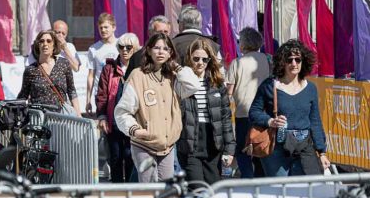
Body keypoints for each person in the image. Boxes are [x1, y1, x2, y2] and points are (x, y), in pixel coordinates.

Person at [114, 33, 200, 182]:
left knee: (166, 188)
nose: (161, 52)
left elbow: (193, 86)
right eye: (156, 48)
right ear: (148, 50)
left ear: (170, 53)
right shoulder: (138, 75)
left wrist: (178, 67)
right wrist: (134, 129)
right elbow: (122, 111)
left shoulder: (173, 77)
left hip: (167, 145)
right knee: (148, 186)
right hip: (144, 143)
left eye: (165, 49)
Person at [249, 39, 330, 176]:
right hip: (277, 148)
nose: (294, 63)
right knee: (281, 191)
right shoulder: (269, 85)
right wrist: (270, 121)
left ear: (303, 61)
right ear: (282, 62)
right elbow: (254, 112)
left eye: (297, 60)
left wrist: (322, 152)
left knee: (305, 191)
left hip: (304, 147)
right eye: (289, 59)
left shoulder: (310, 89)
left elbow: (315, 121)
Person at [177, 38, 235, 185]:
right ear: (189, 58)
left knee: (213, 187)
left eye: (205, 59)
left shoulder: (217, 83)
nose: (200, 63)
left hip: (213, 142)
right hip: (190, 142)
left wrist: (229, 149)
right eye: (196, 58)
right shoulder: (181, 82)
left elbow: (225, 118)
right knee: (196, 186)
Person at [226, 27, 270, 178]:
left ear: (243, 44)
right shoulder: (267, 59)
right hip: (264, 112)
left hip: (243, 112)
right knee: (261, 146)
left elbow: (229, 91)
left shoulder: (237, 63)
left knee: (242, 149)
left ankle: (247, 178)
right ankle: (260, 179)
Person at [96, 33, 140, 182]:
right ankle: (116, 191)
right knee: (115, 157)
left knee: (130, 157)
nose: (125, 50)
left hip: (134, 120)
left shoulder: (140, 69)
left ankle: (130, 191)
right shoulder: (109, 68)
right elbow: (102, 94)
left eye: (129, 47)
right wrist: (101, 116)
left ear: (135, 49)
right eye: (121, 47)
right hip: (113, 119)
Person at [18, 30, 82, 116]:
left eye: (49, 41)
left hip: (61, 117)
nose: (45, 44)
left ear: (54, 45)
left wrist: (78, 114)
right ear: (38, 45)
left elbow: (71, 90)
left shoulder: (63, 64)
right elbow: (23, 96)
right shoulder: (31, 70)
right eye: (42, 41)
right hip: (38, 118)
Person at [86, 13, 119, 115]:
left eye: (106, 27)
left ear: (113, 27)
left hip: (118, 92)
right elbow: (91, 76)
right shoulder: (93, 49)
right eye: (101, 28)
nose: (103, 30)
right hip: (101, 95)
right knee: (103, 125)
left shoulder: (122, 45)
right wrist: (88, 100)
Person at [124, 15, 171, 80]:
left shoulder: (173, 55)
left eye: (165, 32)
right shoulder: (137, 57)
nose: (163, 35)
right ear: (150, 33)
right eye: (159, 32)